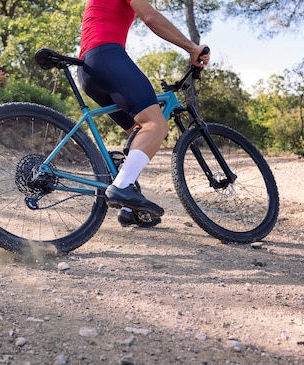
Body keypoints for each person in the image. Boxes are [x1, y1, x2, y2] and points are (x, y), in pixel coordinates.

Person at [77, 0, 210, 227]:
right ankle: (121, 187)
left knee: (140, 132)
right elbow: (151, 18)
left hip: (87, 69)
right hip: (107, 55)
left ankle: (129, 209)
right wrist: (192, 48)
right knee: (155, 125)